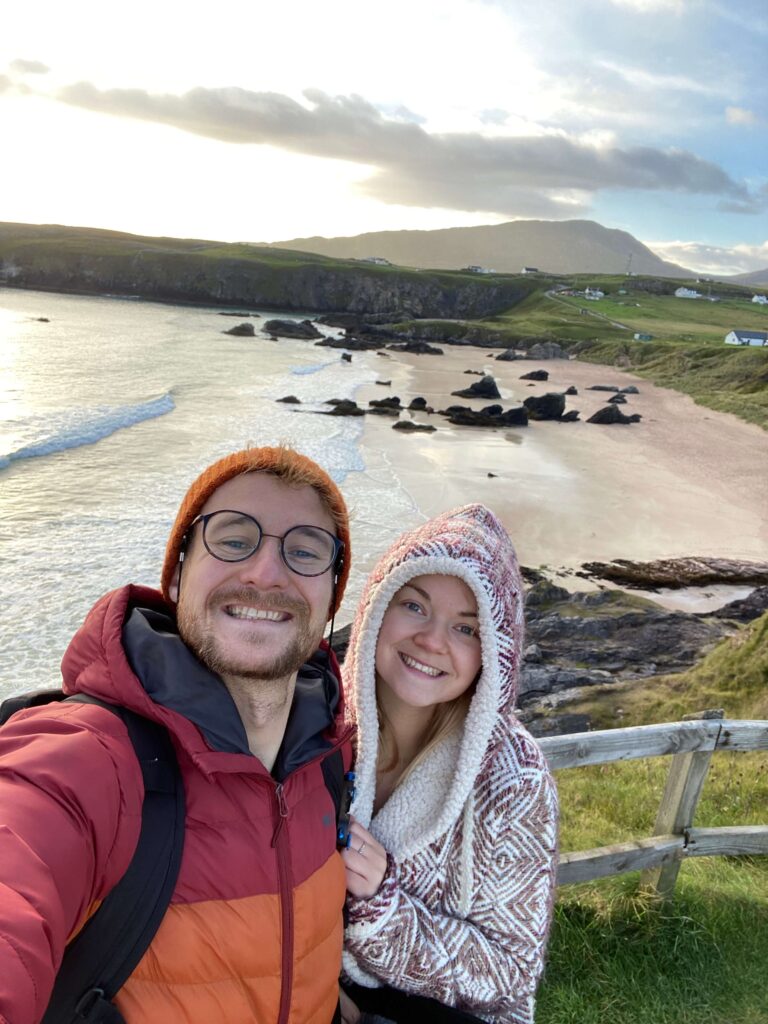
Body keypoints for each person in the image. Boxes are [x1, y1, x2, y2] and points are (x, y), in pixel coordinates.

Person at [0, 446, 354, 1024]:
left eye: (305, 551)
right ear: (177, 573)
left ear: (330, 599)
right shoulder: (89, 760)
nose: (266, 572)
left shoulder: (330, 757)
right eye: (234, 540)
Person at [339, 504, 558, 1024]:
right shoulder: (316, 727)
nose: (432, 641)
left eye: (467, 629)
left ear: (496, 654)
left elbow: (508, 970)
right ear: (376, 604)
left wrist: (382, 909)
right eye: (414, 606)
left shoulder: (515, 777)